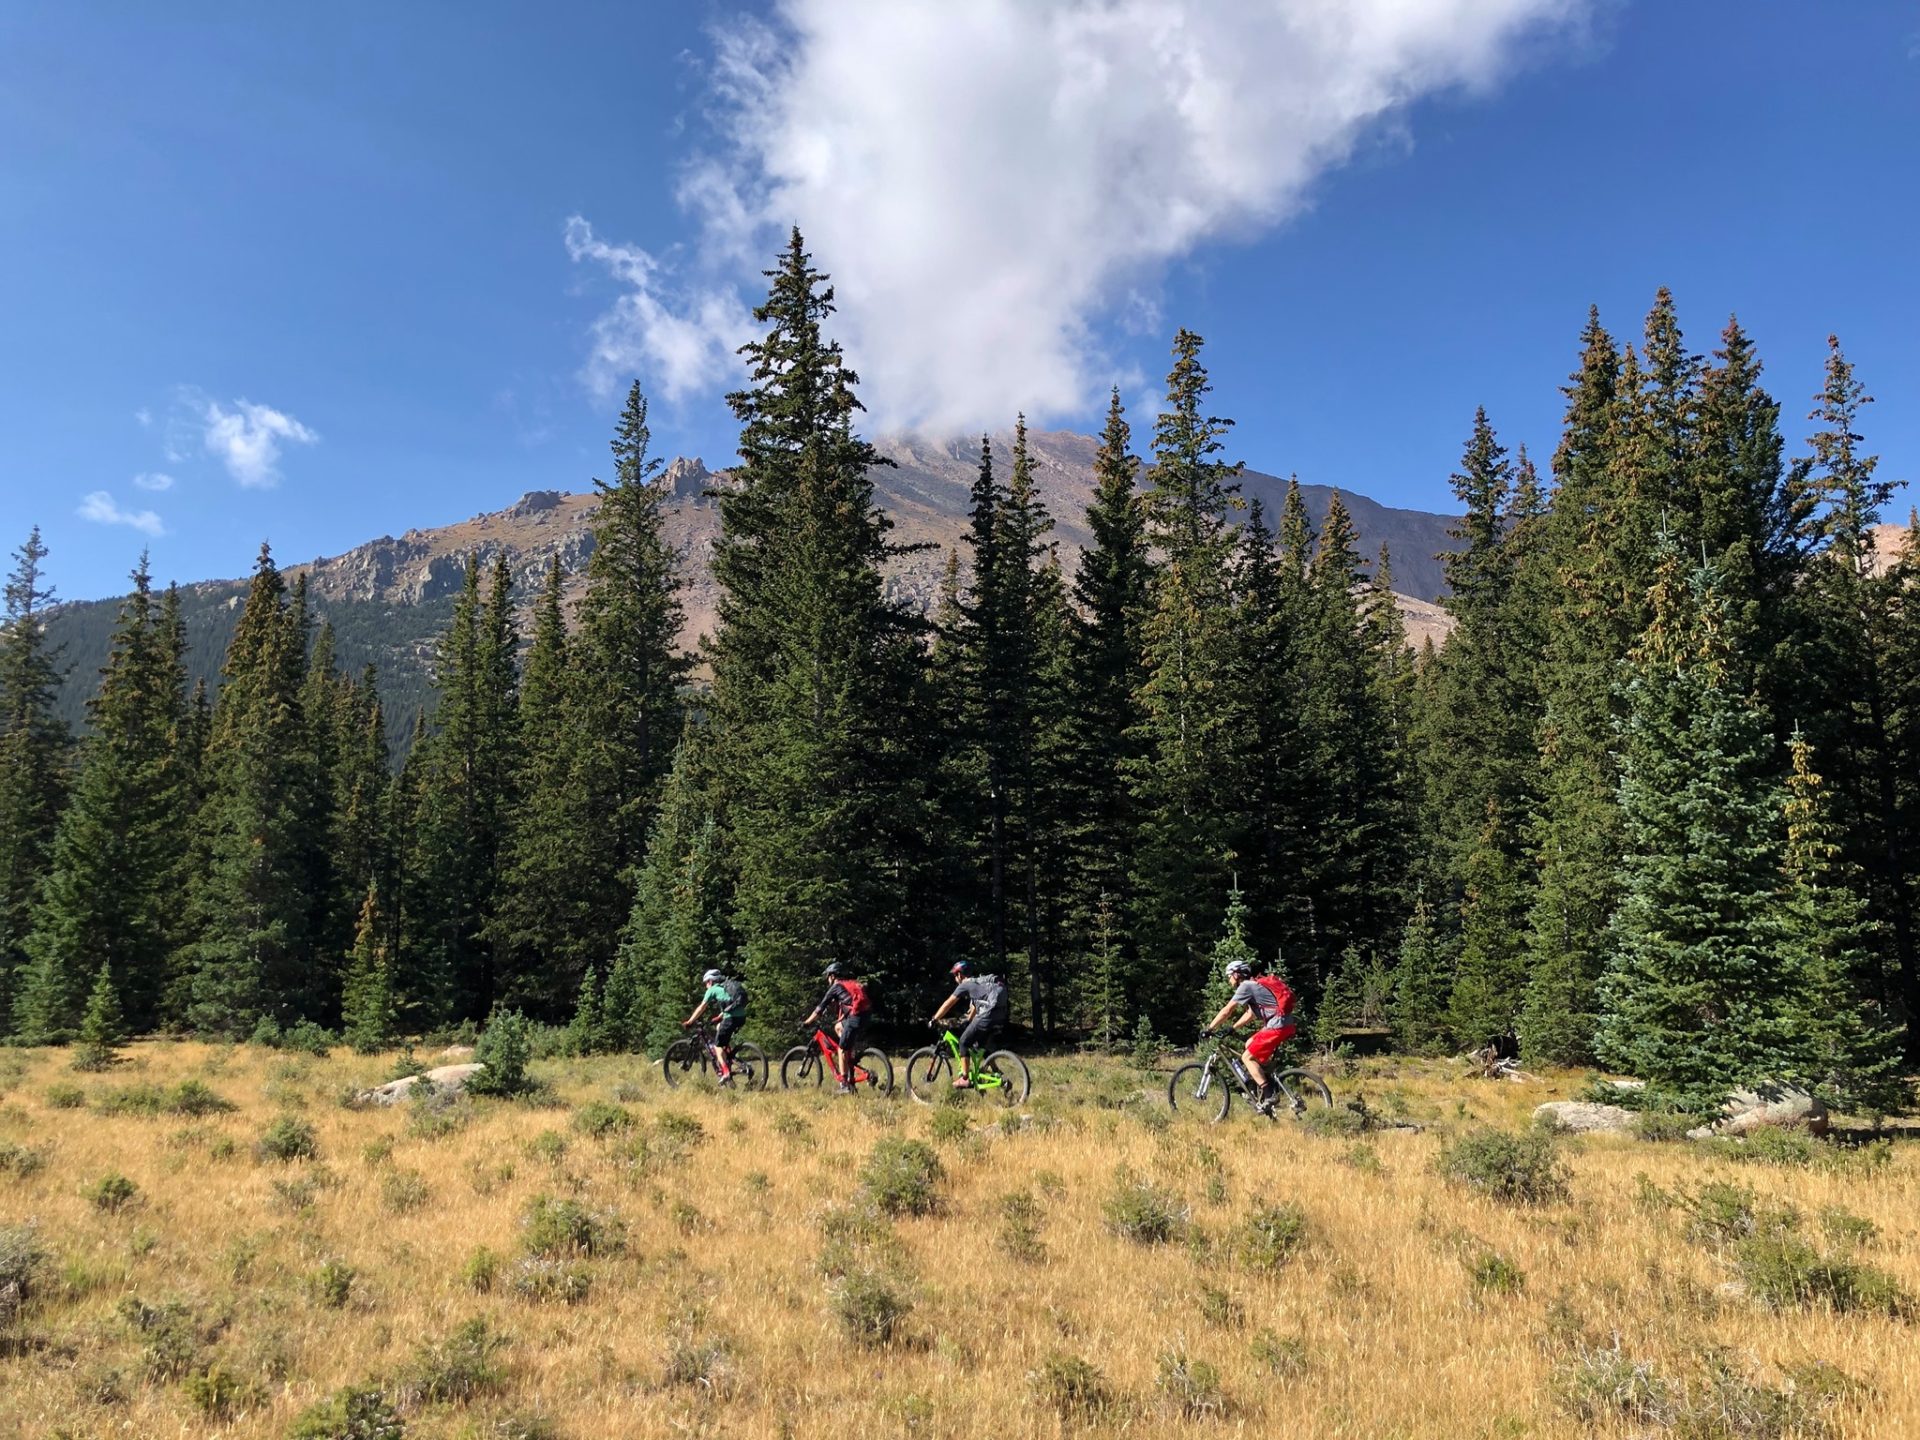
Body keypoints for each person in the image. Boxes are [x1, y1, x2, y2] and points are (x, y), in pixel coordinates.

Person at [1203, 958, 1296, 1111]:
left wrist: (1210, 1028)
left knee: (1247, 1057)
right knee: (1248, 1044)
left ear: (1236, 974)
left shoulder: (1245, 986)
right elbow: (1251, 1014)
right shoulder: (1254, 985)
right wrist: (1232, 1028)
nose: (1228, 979)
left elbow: (1227, 1010)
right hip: (1284, 1024)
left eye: (1229, 976)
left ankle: (1269, 1094)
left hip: (1277, 1026)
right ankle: (1266, 1080)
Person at [928, 961, 1009, 1088]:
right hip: (1000, 1016)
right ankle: (996, 1072)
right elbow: (975, 1009)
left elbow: (948, 1003)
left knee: (963, 1041)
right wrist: (967, 1020)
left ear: (959, 974)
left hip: (987, 1016)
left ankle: (964, 1078)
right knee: (979, 1045)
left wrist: (934, 1019)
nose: (955, 978)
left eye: (955, 975)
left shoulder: (965, 985)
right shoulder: (979, 984)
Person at [804, 961, 873, 1094]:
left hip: (855, 1018)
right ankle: (849, 1055)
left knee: (841, 1049)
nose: (827, 979)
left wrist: (807, 1022)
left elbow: (819, 1009)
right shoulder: (848, 984)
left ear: (832, 976)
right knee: (838, 1027)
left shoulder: (835, 987)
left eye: (828, 976)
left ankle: (844, 1085)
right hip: (865, 1015)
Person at [684, 967, 748, 1085]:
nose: (706, 986)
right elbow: (731, 1004)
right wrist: (720, 1016)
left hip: (731, 1018)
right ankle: (730, 1056)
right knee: (719, 1028)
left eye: (706, 983)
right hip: (741, 1017)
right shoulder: (725, 987)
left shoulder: (712, 989)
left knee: (717, 1047)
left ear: (710, 981)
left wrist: (690, 1021)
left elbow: (702, 1007)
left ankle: (725, 1073)